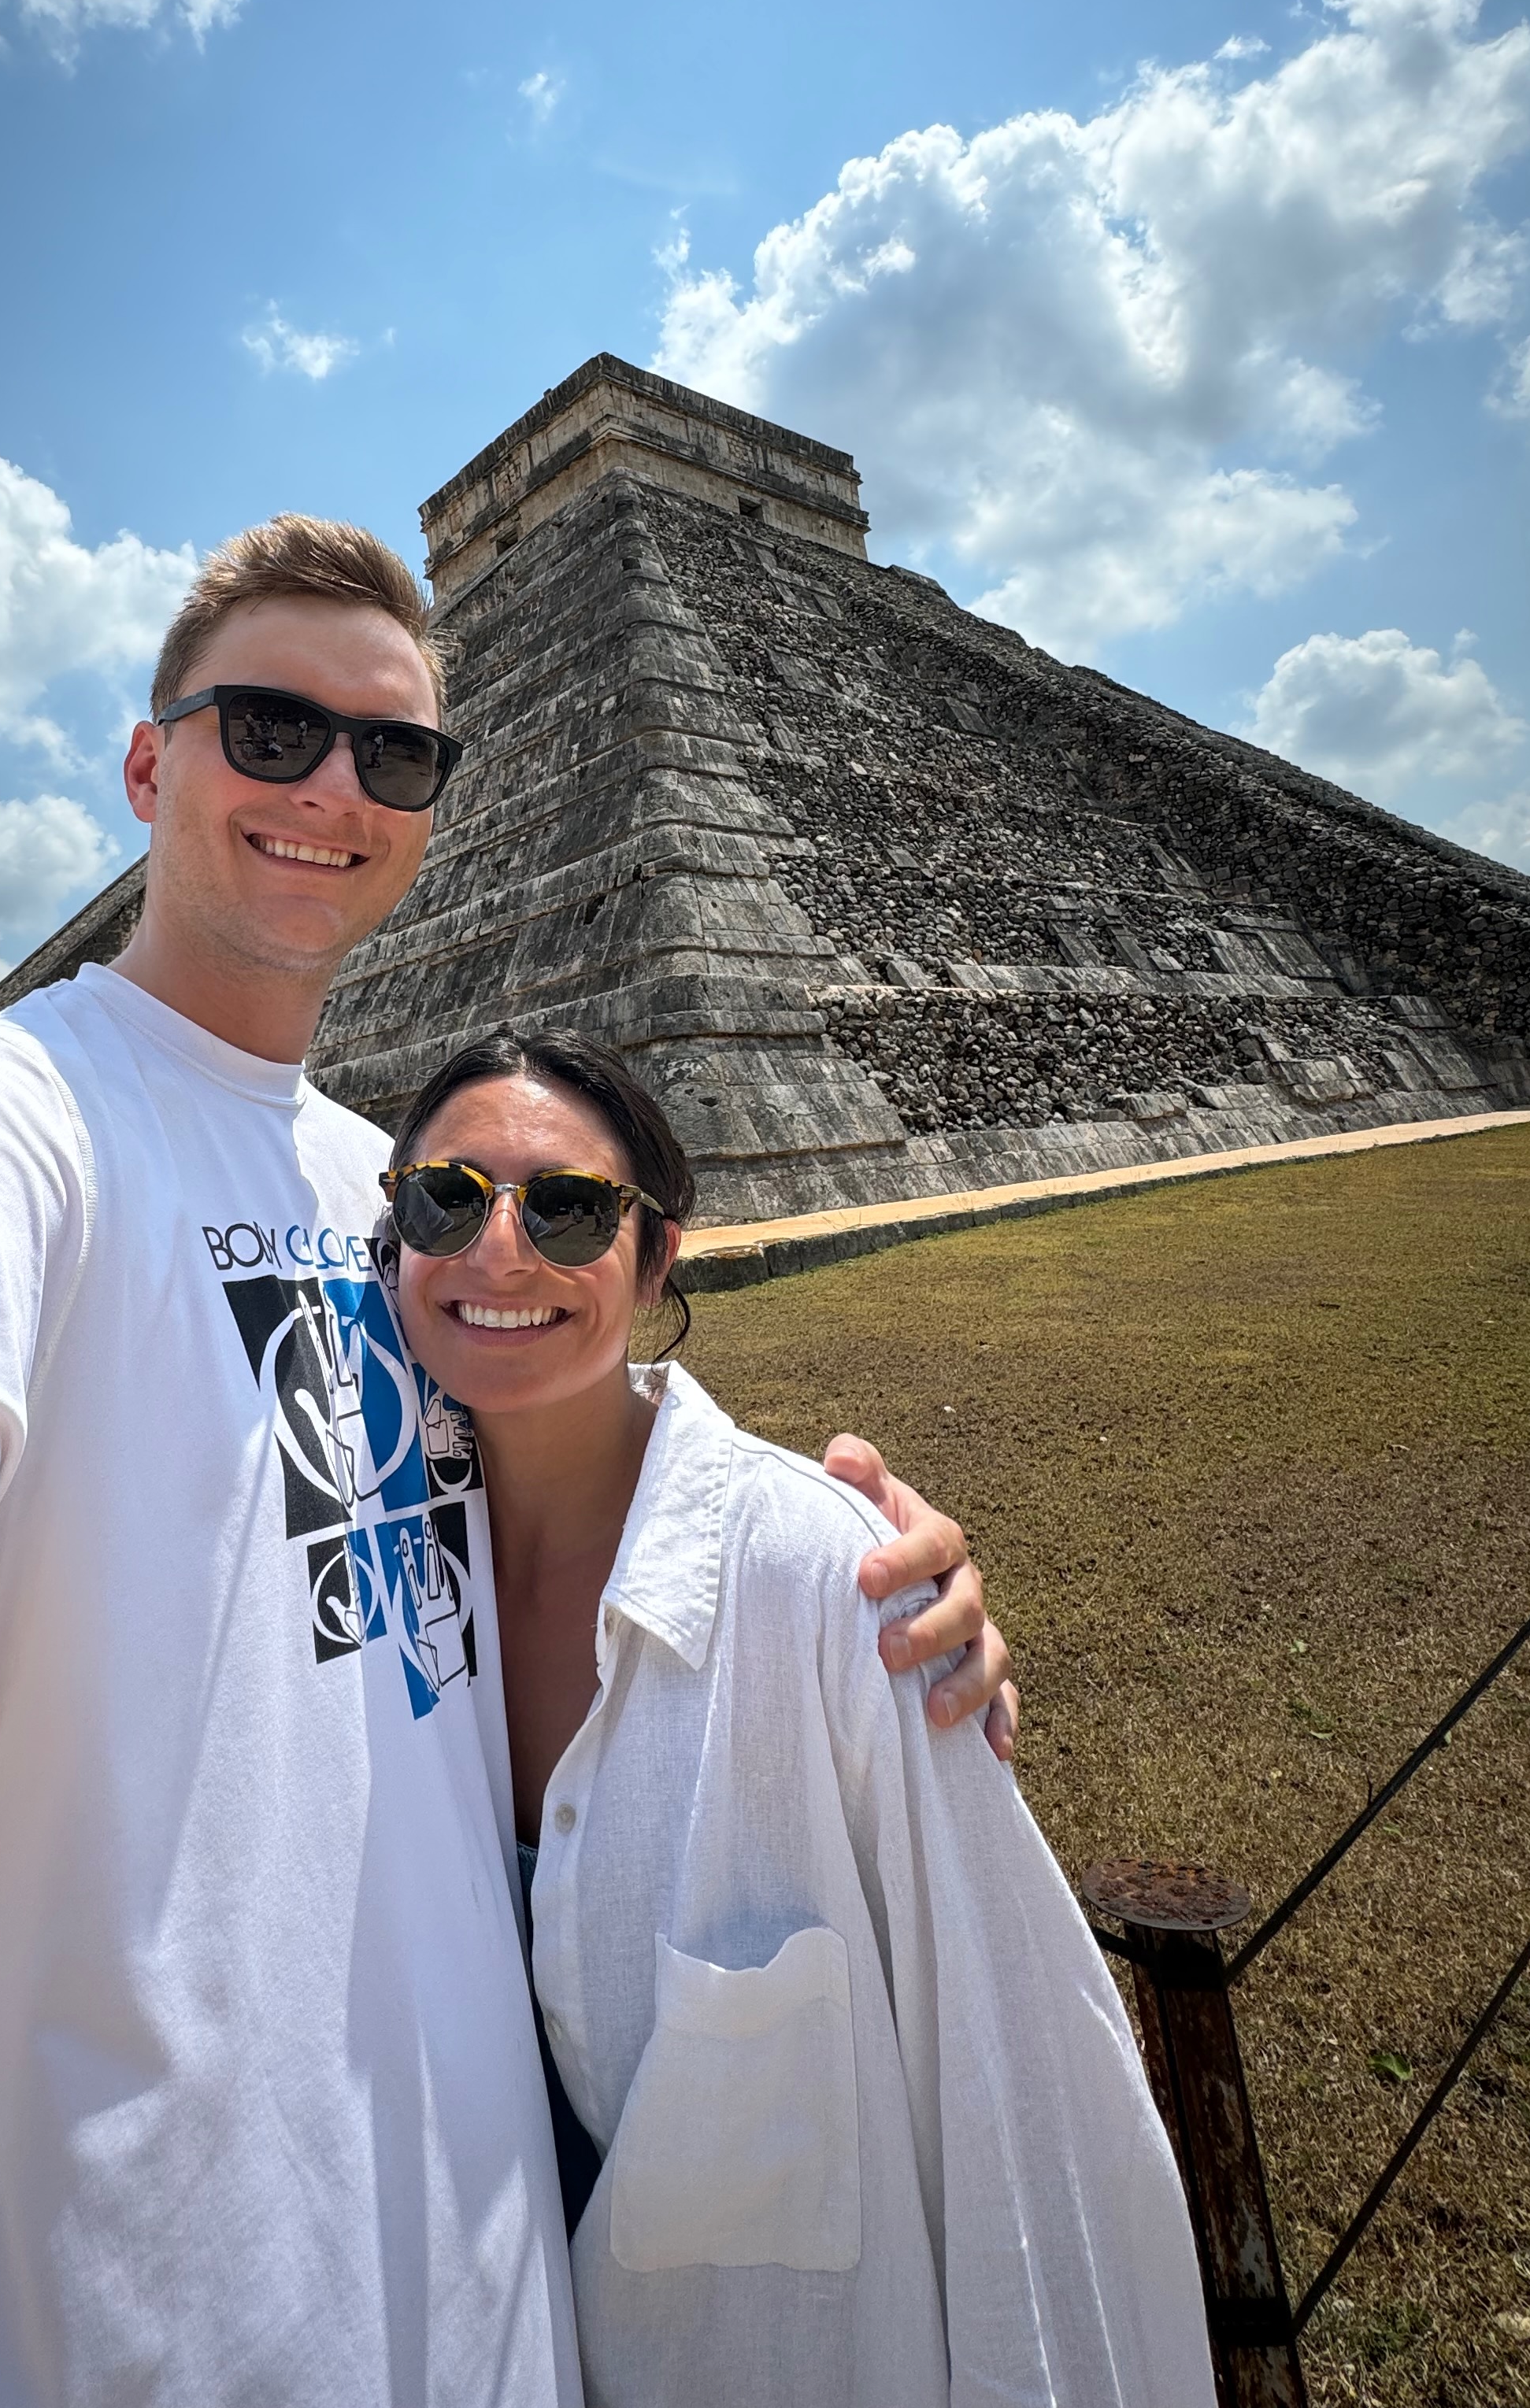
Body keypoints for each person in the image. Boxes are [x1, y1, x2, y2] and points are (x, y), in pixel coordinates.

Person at [0, 516, 1015, 2408]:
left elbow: (522, 1559)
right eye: (271, 731)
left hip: (464, 2278)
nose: (331, 788)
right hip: (95, 2300)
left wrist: (836, 1571)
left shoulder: (390, 1192)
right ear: (152, 764)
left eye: (393, 753)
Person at [376, 1025, 1210, 2407]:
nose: (500, 1254)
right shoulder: (365, 1575)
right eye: (445, 1200)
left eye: (572, 1209)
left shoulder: (832, 1583)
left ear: (659, 1257)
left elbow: (1018, 2084)